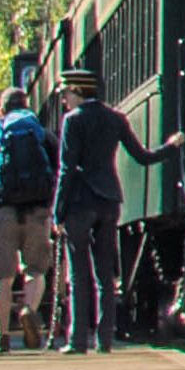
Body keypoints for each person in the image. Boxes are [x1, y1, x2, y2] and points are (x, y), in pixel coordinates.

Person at [51, 70, 134, 354]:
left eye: (65, 94)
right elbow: (142, 155)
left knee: (78, 273)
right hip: (109, 201)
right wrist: (171, 147)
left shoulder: (72, 121)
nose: (63, 100)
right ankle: (105, 339)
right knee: (105, 275)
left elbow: (67, 168)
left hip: (79, 203)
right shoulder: (115, 118)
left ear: (76, 91)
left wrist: (58, 212)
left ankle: (77, 341)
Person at [0, 78, 57, 352]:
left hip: (3, 213)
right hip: (38, 213)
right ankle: (29, 311)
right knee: (35, 270)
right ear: (27, 107)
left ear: (1, 110)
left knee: (2, 277)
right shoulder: (43, 135)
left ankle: (2, 335)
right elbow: (60, 172)